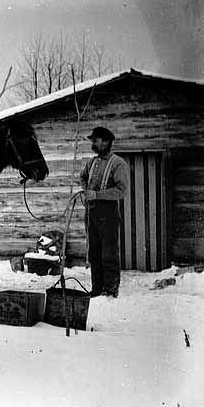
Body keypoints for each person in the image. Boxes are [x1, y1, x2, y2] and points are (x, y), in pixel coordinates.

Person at [80, 126, 129, 298]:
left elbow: (121, 191)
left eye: (95, 140)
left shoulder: (118, 163)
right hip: (91, 212)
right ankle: (96, 289)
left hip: (108, 213)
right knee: (94, 253)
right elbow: (82, 177)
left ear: (106, 142)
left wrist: (97, 195)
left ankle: (110, 291)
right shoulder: (92, 162)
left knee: (109, 253)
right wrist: (86, 191)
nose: (93, 143)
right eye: (92, 140)